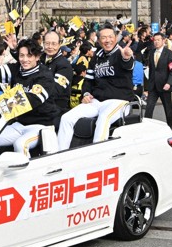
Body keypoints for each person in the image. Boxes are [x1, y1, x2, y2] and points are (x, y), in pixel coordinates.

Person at [0, 39, 59, 165]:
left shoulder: (45, 75)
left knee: (20, 144)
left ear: (37, 57)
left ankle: (26, 180)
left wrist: (2, 104)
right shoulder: (16, 69)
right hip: (20, 124)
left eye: (29, 56)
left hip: (41, 125)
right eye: (22, 55)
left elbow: (33, 99)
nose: (25, 59)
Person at [57, 22, 135, 151]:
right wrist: (86, 94)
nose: (107, 40)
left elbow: (128, 65)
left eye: (110, 37)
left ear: (115, 38)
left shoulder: (121, 53)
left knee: (104, 118)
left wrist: (127, 58)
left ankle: (97, 157)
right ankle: (60, 157)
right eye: (103, 38)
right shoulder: (96, 57)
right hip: (98, 101)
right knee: (66, 118)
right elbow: (88, 81)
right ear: (98, 40)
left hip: (120, 101)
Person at [144, 32, 172, 128]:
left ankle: (169, 127)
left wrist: (169, 83)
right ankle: (147, 127)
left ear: (163, 41)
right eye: (155, 40)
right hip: (153, 86)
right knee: (149, 108)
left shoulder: (169, 53)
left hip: (164, 85)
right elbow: (150, 71)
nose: (156, 42)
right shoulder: (151, 53)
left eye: (158, 40)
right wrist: (147, 87)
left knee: (168, 109)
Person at [39, 31, 73, 113]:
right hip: (38, 103)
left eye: (54, 44)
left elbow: (55, 90)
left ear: (59, 44)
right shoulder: (39, 58)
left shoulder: (64, 65)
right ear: (43, 43)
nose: (50, 47)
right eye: (47, 43)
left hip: (55, 108)